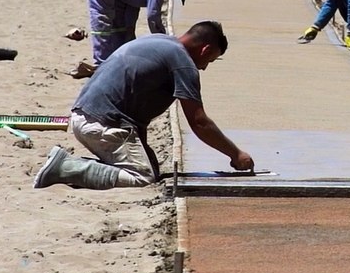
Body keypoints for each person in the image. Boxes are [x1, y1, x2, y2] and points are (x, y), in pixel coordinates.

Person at [34, 20, 254, 190]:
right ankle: (66, 167)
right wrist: (236, 154)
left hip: (86, 114)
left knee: (152, 169)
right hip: (102, 124)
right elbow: (199, 123)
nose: (204, 67)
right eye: (209, 60)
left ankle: (69, 166)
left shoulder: (160, 42)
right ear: (205, 50)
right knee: (144, 177)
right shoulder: (183, 63)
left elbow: (134, 100)